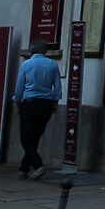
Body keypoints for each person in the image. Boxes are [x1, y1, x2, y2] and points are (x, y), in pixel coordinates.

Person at [14, 43, 63, 180]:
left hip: (29, 103)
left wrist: (17, 101)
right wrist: (55, 102)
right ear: (45, 51)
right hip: (46, 103)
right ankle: (24, 168)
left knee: (26, 138)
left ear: (31, 51)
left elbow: (19, 86)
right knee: (35, 137)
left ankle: (38, 165)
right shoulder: (53, 65)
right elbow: (57, 86)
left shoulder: (26, 65)